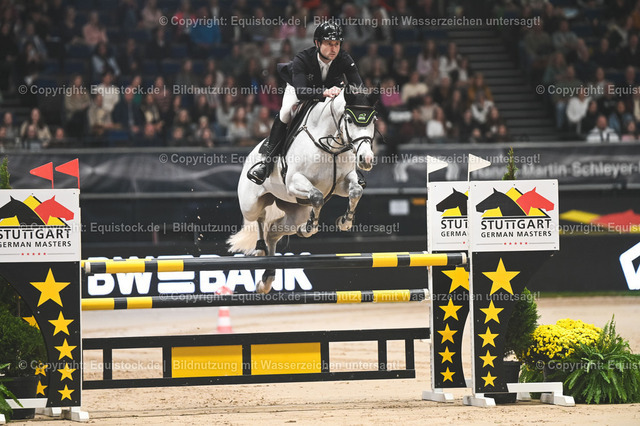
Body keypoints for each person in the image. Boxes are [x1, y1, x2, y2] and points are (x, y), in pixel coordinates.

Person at [247, 22, 363, 185]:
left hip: (330, 88)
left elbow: (358, 87)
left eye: (337, 44)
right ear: (317, 43)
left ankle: (352, 168)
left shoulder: (344, 58)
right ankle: (267, 162)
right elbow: (301, 92)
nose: (334, 48)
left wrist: (355, 96)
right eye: (329, 44)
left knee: (345, 114)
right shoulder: (303, 58)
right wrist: (324, 92)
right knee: (286, 111)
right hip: (299, 88)